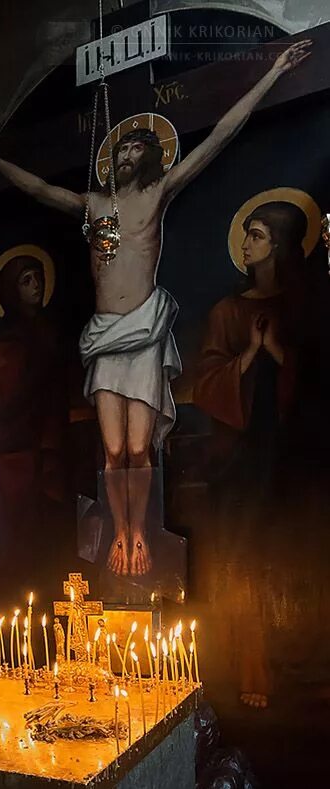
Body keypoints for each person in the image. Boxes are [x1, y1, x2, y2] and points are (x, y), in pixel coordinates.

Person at [0, 40, 311, 577]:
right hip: (104, 333)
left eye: (134, 151)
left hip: (145, 326)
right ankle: (121, 533)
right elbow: (39, 189)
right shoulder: (93, 204)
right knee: (112, 453)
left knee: (138, 447)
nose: (124, 157)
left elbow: (220, 135)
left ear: (149, 157)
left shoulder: (158, 194)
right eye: (119, 152)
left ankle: (139, 536)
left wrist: (271, 74)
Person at [193, 200, 320, 710]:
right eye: (245, 234)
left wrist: (275, 353)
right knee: (239, 557)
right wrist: (248, 355)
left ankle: (297, 664)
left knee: (291, 551)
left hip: (292, 453)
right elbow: (206, 382)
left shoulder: (305, 306)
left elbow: (315, 380)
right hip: (240, 458)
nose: (247, 244)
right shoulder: (228, 312)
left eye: (259, 235)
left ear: (281, 246)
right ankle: (245, 668)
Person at [0, 253, 66, 604]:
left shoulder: (48, 333)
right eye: (26, 281)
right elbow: (8, 401)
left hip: (50, 447)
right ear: (9, 292)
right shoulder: (8, 344)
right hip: (17, 458)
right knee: (19, 538)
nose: (37, 287)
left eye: (38, 278)